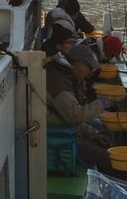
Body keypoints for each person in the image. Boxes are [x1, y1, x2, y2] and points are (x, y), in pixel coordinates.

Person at [46, 42, 112, 171]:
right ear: (78, 63)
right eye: (89, 67)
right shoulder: (59, 81)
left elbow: (66, 117)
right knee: (107, 158)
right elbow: (74, 115)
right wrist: (100, 104)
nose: (92, 71)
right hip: (56, 136)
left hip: (64, 131)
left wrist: (94, 134)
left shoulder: (66, 76)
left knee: (102, 141)